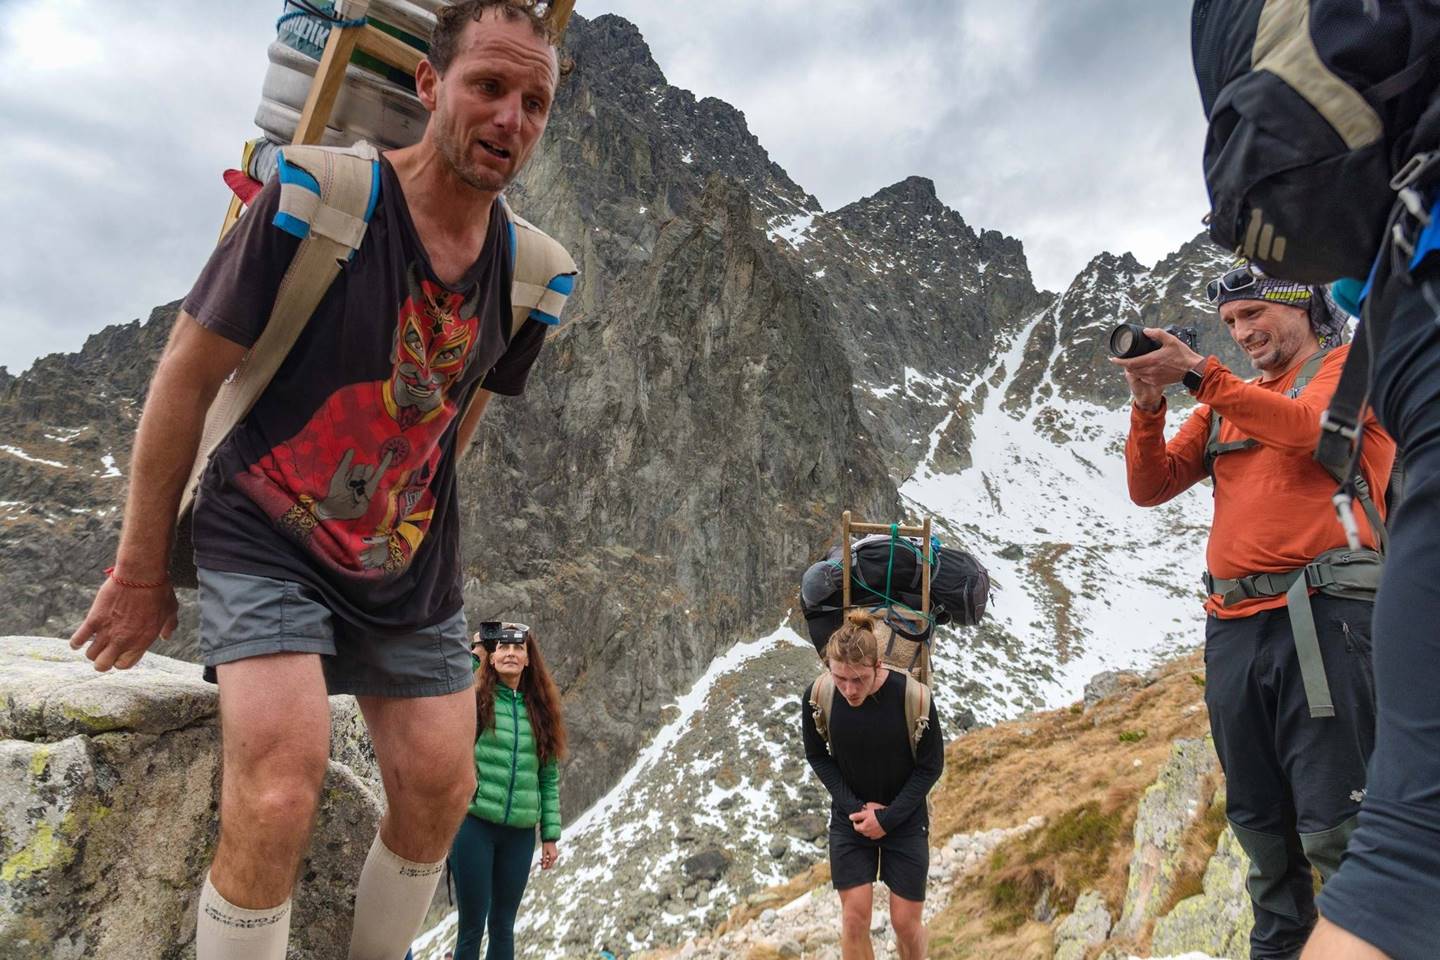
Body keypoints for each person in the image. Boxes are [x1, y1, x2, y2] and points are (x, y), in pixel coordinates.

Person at [65, 3, 570, 957]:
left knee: (441, 787)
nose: (511, 119)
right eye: (489, 88)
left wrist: (398, 517)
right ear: (430, 86)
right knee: (281, 785)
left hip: (406, 563)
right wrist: (140, 572)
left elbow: (453, 415)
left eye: (535, 102)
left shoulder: (532, 275)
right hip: (266, 528)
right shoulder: (316, 202)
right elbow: (187, 373)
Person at [1114, 270, 1396, 960]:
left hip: (1327, 620)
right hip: (1235, 631)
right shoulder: (1224, 404)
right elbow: (1151, 487)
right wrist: (1148, 405)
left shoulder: (1349, 368)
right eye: (1231, 322)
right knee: (1260, 829)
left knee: (1338, 827)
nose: (1241, 334)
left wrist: (1198, 372)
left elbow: (1307, 432)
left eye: (1253, 314)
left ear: (1304, 309)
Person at [801, 610, 944, 960]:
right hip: (852, 818)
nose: (849, 689)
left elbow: (930, 767)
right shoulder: (819, 696)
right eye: (840, 678)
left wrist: (888, 818)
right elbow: (819, 757)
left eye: (859, 679)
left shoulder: (915, 698)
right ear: (829, 668)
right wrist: (856, 809)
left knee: (906, 925)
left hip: (906, 819)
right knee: (854, 918)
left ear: (878, 666)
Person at [450, 621, 564, 960]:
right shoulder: (475, 701)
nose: (511, 654)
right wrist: (475, 654)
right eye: (503, 647)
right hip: (474, 826)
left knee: (502, 926)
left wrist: (550, 836)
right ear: (492, 657)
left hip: (519, 835)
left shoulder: (540, 713)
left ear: (529, 659)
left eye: (518, 648)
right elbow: (448, 692)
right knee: (472, 925)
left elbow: (548, 778)